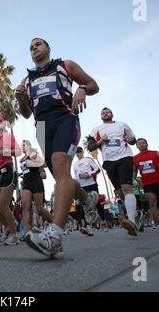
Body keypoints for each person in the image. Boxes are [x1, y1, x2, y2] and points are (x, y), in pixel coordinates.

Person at [15, 38, 99, 258]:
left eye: (38, 44)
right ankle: (88, 199)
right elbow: (25, 113)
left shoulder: (65, 65)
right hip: (42, 127)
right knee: (61, 176)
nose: (34, 48)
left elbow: (93, 85)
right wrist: (22, 99)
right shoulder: (27, 79)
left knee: (61, 166)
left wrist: (81, 89)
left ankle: (54, 236)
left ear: (48, 48)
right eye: (31, 46)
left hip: (65, 119)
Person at [87, 107, 138, 236]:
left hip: (125, 157)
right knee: (120, 192)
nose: (105, 114)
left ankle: (132, 221)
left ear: (112, 114)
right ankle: (135, 213)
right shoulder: (96, 129)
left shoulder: (122, 125)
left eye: (107, 112)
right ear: (101, 116)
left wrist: (130, 140)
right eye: (103, 113)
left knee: (127, 188)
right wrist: (100, 141)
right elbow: (90, 146)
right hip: (109, 161)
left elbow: (133, 140)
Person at [0, 116, 22, 245]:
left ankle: (14, 234)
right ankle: (8, 225)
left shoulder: (8, 136)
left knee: (3, 205)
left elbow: (18, 152)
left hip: (7, 170)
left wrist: (5, 151)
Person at [20, 139, 51, 238]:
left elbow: (45, 164)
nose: (22, 147)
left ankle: (55, 223)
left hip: (36, 181)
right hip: (26, 182)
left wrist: (34, 163)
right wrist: (19, 174)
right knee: (25, 206)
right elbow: (26, 170)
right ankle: (26, 231)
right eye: (22, 145)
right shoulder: (22, 159)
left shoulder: (33, 154)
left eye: (24, 145)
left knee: (39, 208)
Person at [73, 146, 101, 235]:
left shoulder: (88, 160)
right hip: (82, 187)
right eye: (76, 152)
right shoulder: (75, 164)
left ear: (82, 152)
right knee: (84, 207)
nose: (78, 153)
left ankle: (98, 219)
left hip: (92, 184)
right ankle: (88, 227)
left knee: (94, 204)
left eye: (79, 151)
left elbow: (97, 169)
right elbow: (76, 177)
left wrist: (89, 174)